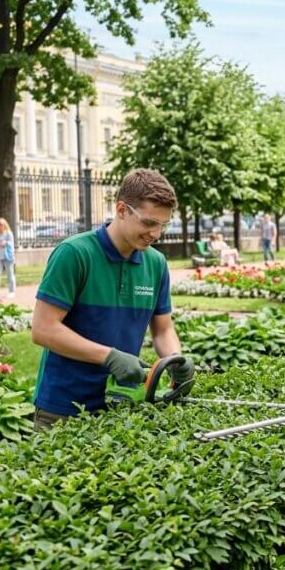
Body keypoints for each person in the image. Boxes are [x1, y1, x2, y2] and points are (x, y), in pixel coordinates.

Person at [30, 168, 195, 429]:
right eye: (149, 223)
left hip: (122, 404)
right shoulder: (74, 254)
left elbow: (163, 330)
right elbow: (42, 330)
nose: (156, 234)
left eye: (163, 225)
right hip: (62, 408)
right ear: (121, 210)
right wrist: (109, 357)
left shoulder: (156, 263)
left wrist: (174, 359)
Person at [0, 217, 17, 300]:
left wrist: (5, 243)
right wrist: (0, 242)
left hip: (7, 256)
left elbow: (11, 243)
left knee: (10, 274)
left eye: (1, 225)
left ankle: (11, 291)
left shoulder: (8, 233)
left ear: (4, 225)